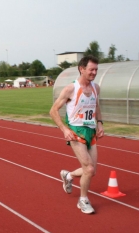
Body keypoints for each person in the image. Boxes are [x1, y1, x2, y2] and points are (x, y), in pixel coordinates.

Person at [49, 55, 104, 214]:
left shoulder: (96, 88)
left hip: (91, 132)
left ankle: (69, 175)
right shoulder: (70, 89)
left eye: (96, 70)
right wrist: (65, 130)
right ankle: (83, 200)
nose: (94, 72)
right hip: (76, 132)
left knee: (92, 171)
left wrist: (100, 123)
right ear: (82, 69)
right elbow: (53, 111)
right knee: (88, 168)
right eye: (91, 69)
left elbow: (96, 106)